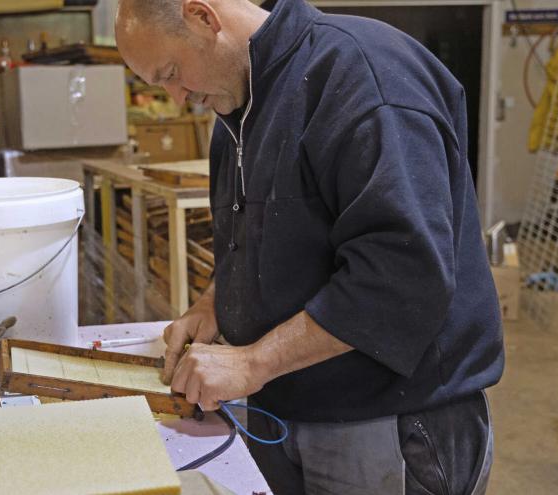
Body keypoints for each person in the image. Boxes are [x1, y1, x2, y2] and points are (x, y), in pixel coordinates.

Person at [115, 0, 505, 493]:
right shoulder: (239, 102)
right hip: (288, 406)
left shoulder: (362, 80)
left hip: (388, 419)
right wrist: (217, 302)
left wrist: (254, 362)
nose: (176, 96)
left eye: (171, 72)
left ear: (203, 16)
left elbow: (401, 276)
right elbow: (275, 230)